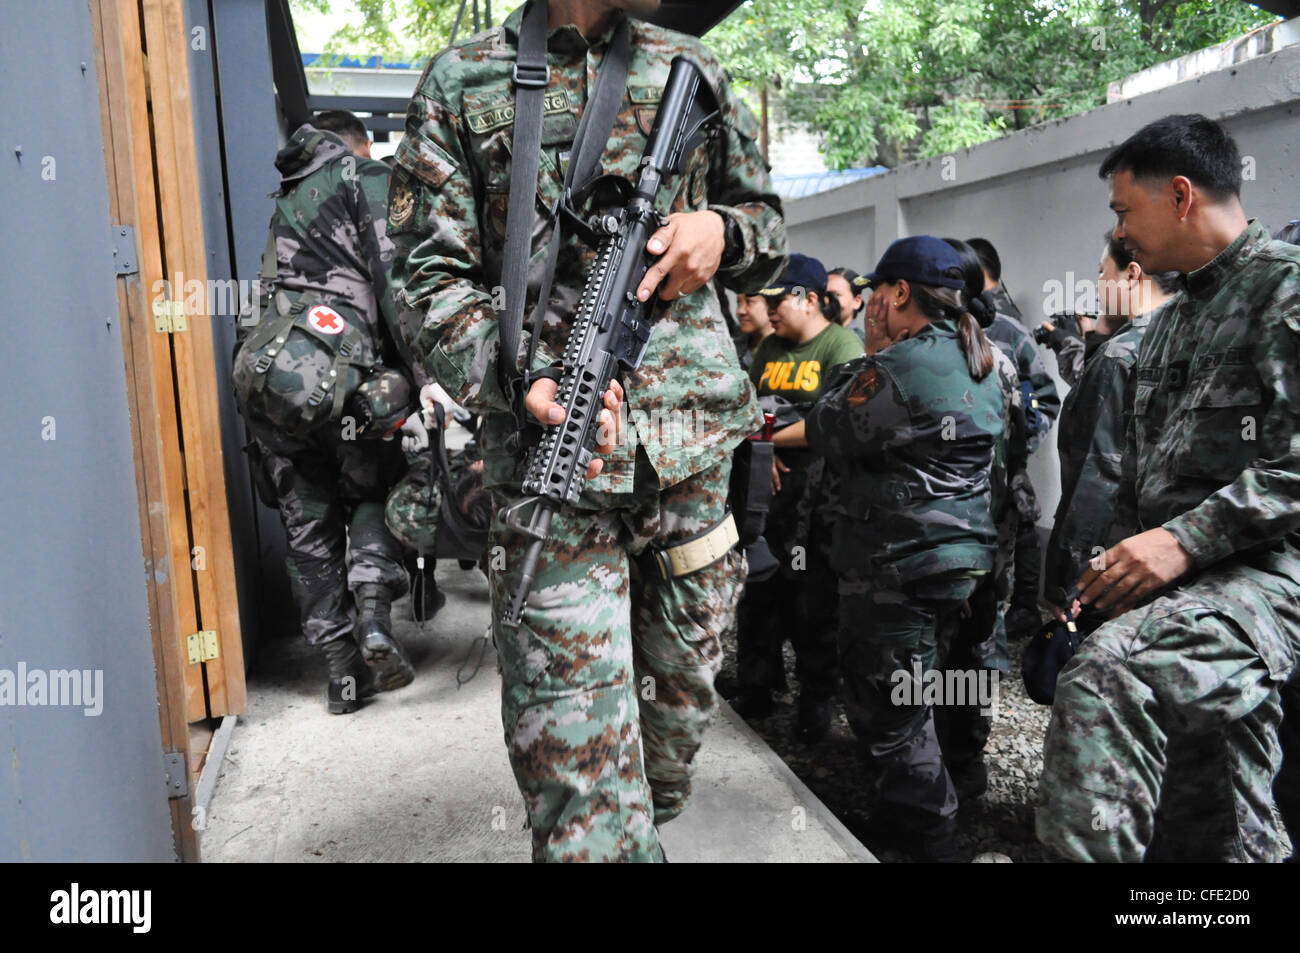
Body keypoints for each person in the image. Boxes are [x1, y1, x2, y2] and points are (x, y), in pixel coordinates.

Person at [387, 0, 786, 862]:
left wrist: (722, 231)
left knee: (669, 749)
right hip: (549, 471)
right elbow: (423, 276)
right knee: (585, 785)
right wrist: (516, 377)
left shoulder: (694, 68)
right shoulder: (463, 80)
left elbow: (769, 228)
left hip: (691, 453)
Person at [1037, 114, 1300, 862]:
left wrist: (1185, 541)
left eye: (1124, 211)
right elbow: (1140, 476)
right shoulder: (1173, 321)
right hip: (1184, 583)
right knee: (1213, 807)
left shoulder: (1286, 290)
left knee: (1107, 677)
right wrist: (1105, 577)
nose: (1119, 235)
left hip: (1270, 576)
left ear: (1180, 194)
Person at [806, 236, 1003, 861]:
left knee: (895, 721)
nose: (866, 306)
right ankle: (918, 820)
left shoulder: (898, 367)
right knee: (927, 696)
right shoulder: (988, 357)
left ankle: (928, 847)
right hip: (962, 563)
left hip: (900, 567)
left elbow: (826, 427)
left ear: (898, 293)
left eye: (873, 294)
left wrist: (866, 355)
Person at [235, 109, 423, 714]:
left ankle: (343, 674)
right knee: (376, 489)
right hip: (351, 382)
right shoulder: (364, 178)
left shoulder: (284, 197)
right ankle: (373, 618)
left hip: (280, 392)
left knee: (307, 530)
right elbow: (398, 285)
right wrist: (420, 377)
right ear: (359, 144)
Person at [730, 254, 863, 742]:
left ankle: (816, 700)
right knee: (760, 590)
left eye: (775, 300)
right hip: (769, 497)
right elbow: (745, 413)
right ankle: (758, 687)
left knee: (813, 600)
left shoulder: (842, 346)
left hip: (819, 500)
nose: (768, 311)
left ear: (808, 299)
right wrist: (764, 443)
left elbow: (837, 424)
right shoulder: (768, 351)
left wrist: (766, 440)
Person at [1040, 233, 1178, 631]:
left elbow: (1097, 477)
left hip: (1118, 562)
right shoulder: (1198, 336)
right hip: (1176, 555)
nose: (1098, 285)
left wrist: (1065, 582)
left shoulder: (1121, 355)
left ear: (1132, 274)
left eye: (1103, 273)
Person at [935, 238, 1029, 801]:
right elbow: (1012, 457)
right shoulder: (999, 362)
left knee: (960, 649)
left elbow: (1004, 462)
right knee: (968, 650)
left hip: (973, 533)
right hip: (986, 532)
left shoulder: (985, 361)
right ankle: (959, 762)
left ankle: (954, 765)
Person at [970, 246, 1061, 641]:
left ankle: (986, 665)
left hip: (1001, 481)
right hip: (960, 484)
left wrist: (1017, 446)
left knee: (996, 579)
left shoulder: (1007, 330)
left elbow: (1043, 395)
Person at [733, 291, 775, 371]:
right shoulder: (734, 349)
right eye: (738, 302)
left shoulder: (790, 350)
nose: (740, 311)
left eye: (749, 302)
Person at [827, 266, 865, 340]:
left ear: (857, 301)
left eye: (837, 294)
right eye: (825, 295)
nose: (828, 300)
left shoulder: (858, 343)